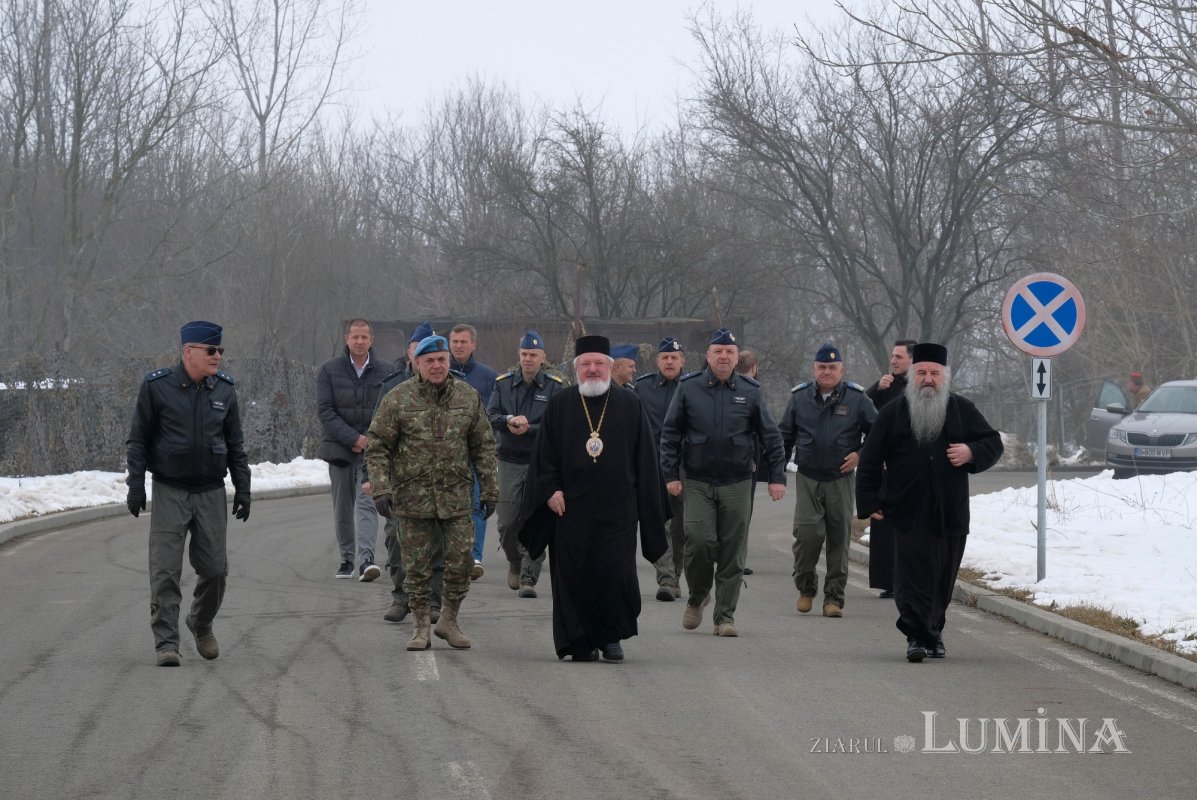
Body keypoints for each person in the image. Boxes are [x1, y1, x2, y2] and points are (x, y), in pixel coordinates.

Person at [517, 335, 668, 662]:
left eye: (599, 363)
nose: (593, 369)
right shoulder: (560, 403)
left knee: (615, 573)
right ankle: (580, 640)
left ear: (610, 367)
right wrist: (551, 489)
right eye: (586, 364)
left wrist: (649, 507)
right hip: (570, 510)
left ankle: (611, 637)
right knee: (572, 576)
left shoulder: (630, 405)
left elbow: (645, 458)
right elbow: (544, 456)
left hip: (617, 511)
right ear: (576, 369)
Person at [856, 342, 1004, 662]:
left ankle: (933, 631)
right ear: (912, 375)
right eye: (921, 372)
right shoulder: (893, 412)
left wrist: (971, 452)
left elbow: (992, 442)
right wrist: (869, 502)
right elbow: (869, 459)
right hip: (907, 509)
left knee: (942, 576)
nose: (927, 379)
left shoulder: (961, 408)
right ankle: (916, 637)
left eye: (934, 373)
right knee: (912, 576)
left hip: (950, 510)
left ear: (944, 377)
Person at [125, 321, 251, 667]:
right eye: (211, 351)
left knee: (215, 570)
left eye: (220, 351)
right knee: (165, 570)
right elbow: (137, 440)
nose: (218, 357)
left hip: (210, 491)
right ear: (188, 352)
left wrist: (244, 487)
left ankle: (201, 621)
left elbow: (235, 445)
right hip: (170, 490)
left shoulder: (224, 391)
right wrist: (136, 484)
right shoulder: (157, 387)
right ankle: (167, 640)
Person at [365, 334, 499, 651]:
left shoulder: (468, 398)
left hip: (456, 497)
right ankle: (421, 627)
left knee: (461, 562)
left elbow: (484, 446)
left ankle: (449, 620)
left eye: (442, 360)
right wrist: (381, 487)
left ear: (449, 361)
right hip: (412, 498)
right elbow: (377, 446)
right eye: (429, 361)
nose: (437, 366)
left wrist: (490, 489)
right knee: (416, 568)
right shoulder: (398, 399)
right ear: (417, 364)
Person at [659, 328, 787, 638]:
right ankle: (698, 595)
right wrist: (670, 475)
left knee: (732, 549)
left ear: (736, 357)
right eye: (718, 351)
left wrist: (777, 477)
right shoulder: (689, 388)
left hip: (737, 480)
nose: (724, 356)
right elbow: (671, 433)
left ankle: (724, 616)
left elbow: (771, 436)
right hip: (698, 479)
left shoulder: (751, 390)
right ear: (708, 356)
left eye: (729, 352)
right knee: (699, 542)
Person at [779, 343, 877, 619]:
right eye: (822, 367)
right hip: (808, 477)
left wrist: (860, 454)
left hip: (841, 479)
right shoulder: (799, 398)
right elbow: (784, 435)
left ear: (841, 370)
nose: (827, 372)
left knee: (839, 539)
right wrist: (777, 475)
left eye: (832, 368)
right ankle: (806, 588)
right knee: (807, 537)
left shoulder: (857, 399)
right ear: (814, 369)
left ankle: (834, 598)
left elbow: (877, 433)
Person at [366, 322, 448, 624]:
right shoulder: (393, 388)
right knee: (396, 540)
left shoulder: (457, 389)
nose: (430, 361)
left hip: (442, 485)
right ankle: (401, 597)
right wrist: (374, 480)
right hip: (403, 483)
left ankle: (435, 600)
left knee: (438, 544)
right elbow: (376, 439)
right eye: (420, 353)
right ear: (411, 355)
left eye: (437, 355)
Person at [487, 330, 566, 598]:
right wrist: (509, 421)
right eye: (524, 354)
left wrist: (529, 429)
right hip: (509, 460)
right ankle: (515, 561)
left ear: (543, 357)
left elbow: (558, 424)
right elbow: (492, 415)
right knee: (508, 521)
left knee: (535, 517)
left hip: (540, 462)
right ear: (518, 356)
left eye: (533, 355)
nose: (528, 359)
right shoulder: (503, 383)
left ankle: (529, 577)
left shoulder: (555, 387)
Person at [317, 319, 394, 581]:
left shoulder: (386, 371)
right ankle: (346, 558)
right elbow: (326, 411)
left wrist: (370, 440)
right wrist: (353, 437)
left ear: (371, 340)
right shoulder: (329, 370)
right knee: (342, 506)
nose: (360, 342)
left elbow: (388, 410)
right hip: (339, 448)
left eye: (364, 337)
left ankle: (366, 560)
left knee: (368, 503)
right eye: (355, 337)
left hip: (372, 450)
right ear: (346, 339)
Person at [634, 336, 687, 601]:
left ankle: (675, 573)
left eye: (674, 358)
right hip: (652, 464)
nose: (669, 362)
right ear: (657, 361)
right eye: (665, 357)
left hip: (685, 466)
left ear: (682, 361)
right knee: (659, 522)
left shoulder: (692, 386)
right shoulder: (642, 388)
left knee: (680, 525)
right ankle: (666, 578)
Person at [863, 339, 917, 599]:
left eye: (899, 357)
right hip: (884, 464)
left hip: (910, 466)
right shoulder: (885, 385)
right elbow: (860, 411)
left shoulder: (921, 386)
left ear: (912, 360)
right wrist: (875, 389)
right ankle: (888, 581)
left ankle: (908, 579)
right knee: (883, 524)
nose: (893, 361)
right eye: (892, 356)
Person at [449, 323, 499, 579]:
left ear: (473, 345)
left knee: (478, 506)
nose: (458, 346)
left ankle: (475, 556)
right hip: (447, 456)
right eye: (454, 341)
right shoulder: (440, 372)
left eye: (463, 342)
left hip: (476, 454)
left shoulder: (488, 377)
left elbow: (494, 416)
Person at [734, 348, 767, 577]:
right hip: (747, 457)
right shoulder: (755, 391)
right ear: (754, 368)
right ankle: (738, 557)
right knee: (743, 511)